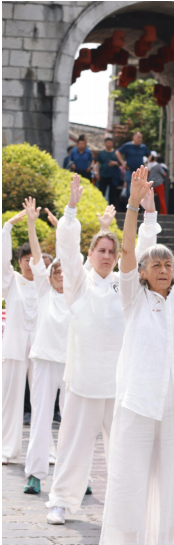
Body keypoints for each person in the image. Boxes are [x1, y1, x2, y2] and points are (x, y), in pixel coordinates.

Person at [96, 166, 174, 545]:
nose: (164, 268)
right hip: (139, 397)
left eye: (168, 264)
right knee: (130, 472)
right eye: (156, 264)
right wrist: (132, 205)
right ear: (143, 274)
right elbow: (127, 251)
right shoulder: (132, 296)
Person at [45, 182, 157, 526]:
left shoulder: (127, 283)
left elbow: (144, 250)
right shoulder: (78, 284)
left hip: (120, 382)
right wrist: (71, 209)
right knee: (72, 446)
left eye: (112, 251)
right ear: (90, 255)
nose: (107, 255)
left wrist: (149, 213)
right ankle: (60, 501)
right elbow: (65, 248)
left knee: (122, 450)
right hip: (83, 379)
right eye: (101, 250)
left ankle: (121, 506)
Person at [21, 199, 70, 494]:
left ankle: (75, 476)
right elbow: (37, 255)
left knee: (72, 422)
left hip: (72, 364)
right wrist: (31, 222)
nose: (61, 275)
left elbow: (74, 257)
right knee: (40, 418)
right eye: (56, 272)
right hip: (43, 360)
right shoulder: (43, 289)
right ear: (49, 276)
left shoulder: (78, 293)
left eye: (65, 272)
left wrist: (62, 228)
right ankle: (35, 474)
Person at [2, 213, 41, 465]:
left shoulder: (45, 284)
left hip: (40, 349)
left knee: (42, 401)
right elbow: (2, 262)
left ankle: (43, 451)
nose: (28, 263)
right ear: (18, 262)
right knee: (9, 400)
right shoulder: (10, 282)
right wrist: (9, 226)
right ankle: (7, 449)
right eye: (25, 259)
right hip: (14, 347)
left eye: (32, 259)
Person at [96, 137, 121, 203]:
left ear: (112, 144)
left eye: (110, 143)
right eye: (107, 143)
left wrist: (115, 163)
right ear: (104, 144)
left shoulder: (116, 153)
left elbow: (121, 163)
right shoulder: (101, 153)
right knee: (101, 192)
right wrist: (97, 173)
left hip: (113, 176)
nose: (108, 144)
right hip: (103, 175)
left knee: (113, 194)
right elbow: (97, 164)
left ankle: (112, 207)